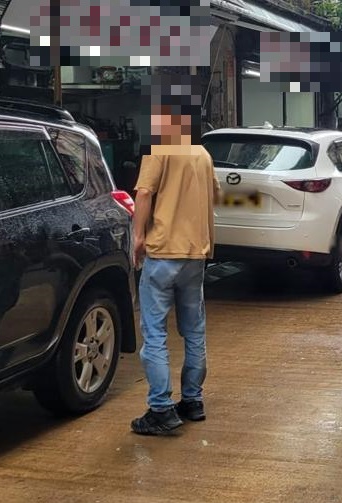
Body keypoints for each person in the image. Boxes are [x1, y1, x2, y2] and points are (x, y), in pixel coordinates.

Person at [130, 104, 222, 436]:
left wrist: (138, 238)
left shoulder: (159, 149)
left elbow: (143, 194)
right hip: (194, 255)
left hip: (163, 252)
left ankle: (161, 409)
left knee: (155, 333)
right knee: (194, 331)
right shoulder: (202, 154)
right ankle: (193, 401)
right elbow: (215, 195)